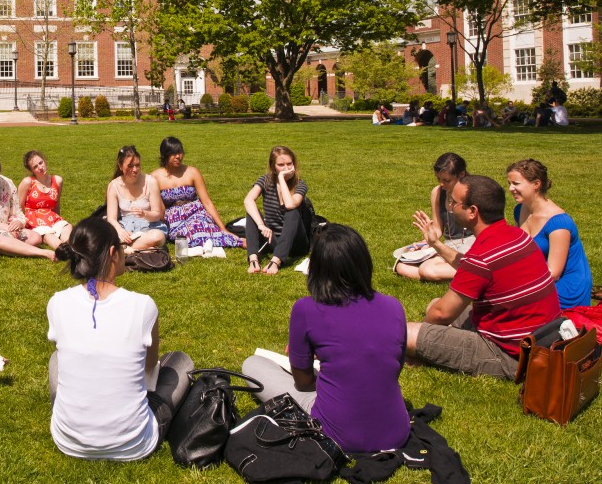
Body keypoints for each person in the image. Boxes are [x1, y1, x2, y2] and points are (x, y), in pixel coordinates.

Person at [241, 224, 409, 454]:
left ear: (317, 268)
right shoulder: (394, 307)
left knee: (252, 365)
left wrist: (311, 362)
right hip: (396, 431)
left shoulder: (307, 309)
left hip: (338, 433)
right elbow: (391, 370)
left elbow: (303, 383)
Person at [47, 213, 194, 460]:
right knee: (180, 362)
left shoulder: (57, 302)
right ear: (113, 253)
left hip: (68, 440)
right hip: (134, 442)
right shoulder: (143, 305)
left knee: (56, 359)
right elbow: (149, 369)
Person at [405, 175, 561, 380]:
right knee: (433, 304)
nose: (450, 208)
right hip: (542, 338)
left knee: (405, 333)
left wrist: (424, 340)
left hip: (511, 356)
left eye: (454, 202)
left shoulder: (482, 256)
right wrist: (436, 244)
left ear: (472, 212)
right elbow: (470, 268)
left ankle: (425, 351)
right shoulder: (517, 236)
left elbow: (443, 313)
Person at [508, 159, 593, 308]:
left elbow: (554, 273)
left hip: (566, 289)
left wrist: (515, 280)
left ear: (536, 184)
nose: (510, 188)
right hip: (537, 278)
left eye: (516, 183)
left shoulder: (559, 223)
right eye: (509, 183)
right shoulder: (519, 210)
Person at [150, 136, 243, 249]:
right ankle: (220, 242)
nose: (178, 157)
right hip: (173, 217)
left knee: (200, 225)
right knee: (189, 233)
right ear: (165, 155)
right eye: (173, 154)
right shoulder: (155, 177)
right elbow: (159, 209)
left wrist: (223, 228)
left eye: (180, 152)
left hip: (195, 211)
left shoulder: (192, 172)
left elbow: (207, 202)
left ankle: (235, 241)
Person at [395, 153, 472, 283]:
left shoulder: (473, 193)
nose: (441, 184)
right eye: (438, 179)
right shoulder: (437, 193)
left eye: (446, 180)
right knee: (402, 266)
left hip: (471, 245)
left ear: (461, 175)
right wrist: (427, 239)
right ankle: (460, 273)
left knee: (427, 270)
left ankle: (473, 272)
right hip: (449, 245)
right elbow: (438, 229)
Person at [244, 146, 310, 275]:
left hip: (297, 243)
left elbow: (290, 204)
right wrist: (261, 225)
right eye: (281, 165)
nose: (286, 168)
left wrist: (281, 178)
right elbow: (248, 200)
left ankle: (276, 260)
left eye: (289, 164)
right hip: (274, 239)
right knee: (251, 213)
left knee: (292, 212)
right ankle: (253, 259)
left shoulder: (300, 184)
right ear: (273, 167)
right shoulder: (265, 180)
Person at [106, 146, 168, 251]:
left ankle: (123, 250)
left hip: (149, 226)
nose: (135, 170)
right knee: (104, 235)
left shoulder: (150, 182)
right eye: (130, 166)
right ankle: (143, 249)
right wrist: (120, 231)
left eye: (137, 165)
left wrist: (144, 214)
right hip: (126, 229)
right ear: (120, 166)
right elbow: (111, 218)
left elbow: (157, 215)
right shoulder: (114, 186)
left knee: (158, 236)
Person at [16, 150, 72, 250]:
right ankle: (64, 250)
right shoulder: (27, 182)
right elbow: (18, 209)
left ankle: (69, 246)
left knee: (67, 227)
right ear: (31, 170)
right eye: (35, 167)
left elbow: (56, 205)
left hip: (52, 217)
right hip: (34, 220)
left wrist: (59, 221)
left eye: (41, 163)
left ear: (45, 161)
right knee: (47, 234)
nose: (40, 167)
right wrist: (21, 225)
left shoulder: (57, 180)